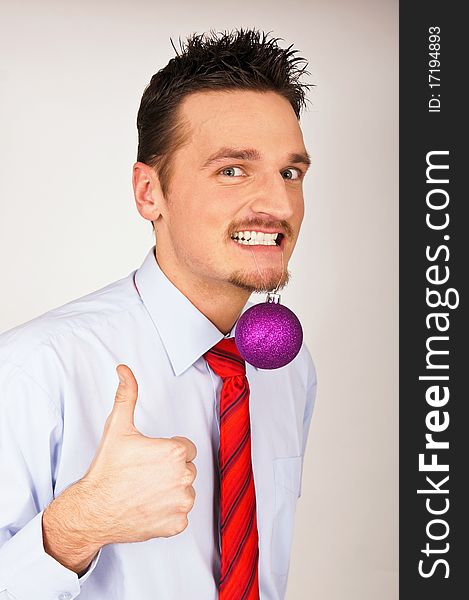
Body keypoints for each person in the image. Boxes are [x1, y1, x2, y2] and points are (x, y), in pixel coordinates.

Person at [0, 29, 317, 600]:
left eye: (290, 172)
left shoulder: (288, 368)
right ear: (149, 193)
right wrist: (75, 529)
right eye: (233, 170)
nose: (278, 204)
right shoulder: (34, 370)